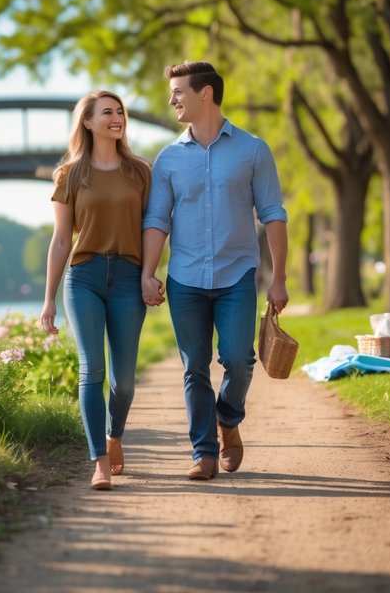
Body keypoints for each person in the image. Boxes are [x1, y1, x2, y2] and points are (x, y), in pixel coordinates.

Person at [141, 61, 288, 481]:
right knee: (195, 366)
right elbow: (157, 220)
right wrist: (148, 272)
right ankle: (203, 452)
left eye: (178, 92)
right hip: (184, 278)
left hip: (237, 273)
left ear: (205, 93)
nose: (172, 101)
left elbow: (274, 214)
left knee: (240, 360)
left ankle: (228, 418)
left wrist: (278, 278)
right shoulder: (168, 159)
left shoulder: (253, 150)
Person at [40, 90, 154, 491]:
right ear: (87, 122)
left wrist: (151, 273)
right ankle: (99, 462)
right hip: (83, 277)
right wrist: (49, 299)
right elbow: (59, 241)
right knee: (92, 370)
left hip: (128, 277)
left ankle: (114, 435)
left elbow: (152, 230)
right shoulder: (70, 174)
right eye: (107, 112)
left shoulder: (141, 171)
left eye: (120, 111)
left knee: (124, 382)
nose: (116, 117)